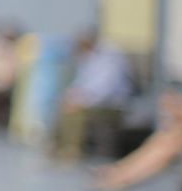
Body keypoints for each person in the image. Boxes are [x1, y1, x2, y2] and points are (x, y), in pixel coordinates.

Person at [91, 29, 182, 191]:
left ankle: (123, 176)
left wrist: (179, 112)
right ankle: (121, 172)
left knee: (165, 146)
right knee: (161, 142)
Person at [54, 30, 133, 161]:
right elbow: (82, 82)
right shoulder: (90, 56)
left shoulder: (110, 57)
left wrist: (82, 100)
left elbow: (106, 88)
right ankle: (61, 148)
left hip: (112, 103)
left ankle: (72, 150)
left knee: (75, 111)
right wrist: (72, 96)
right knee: (66, 105)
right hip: (94, 100)